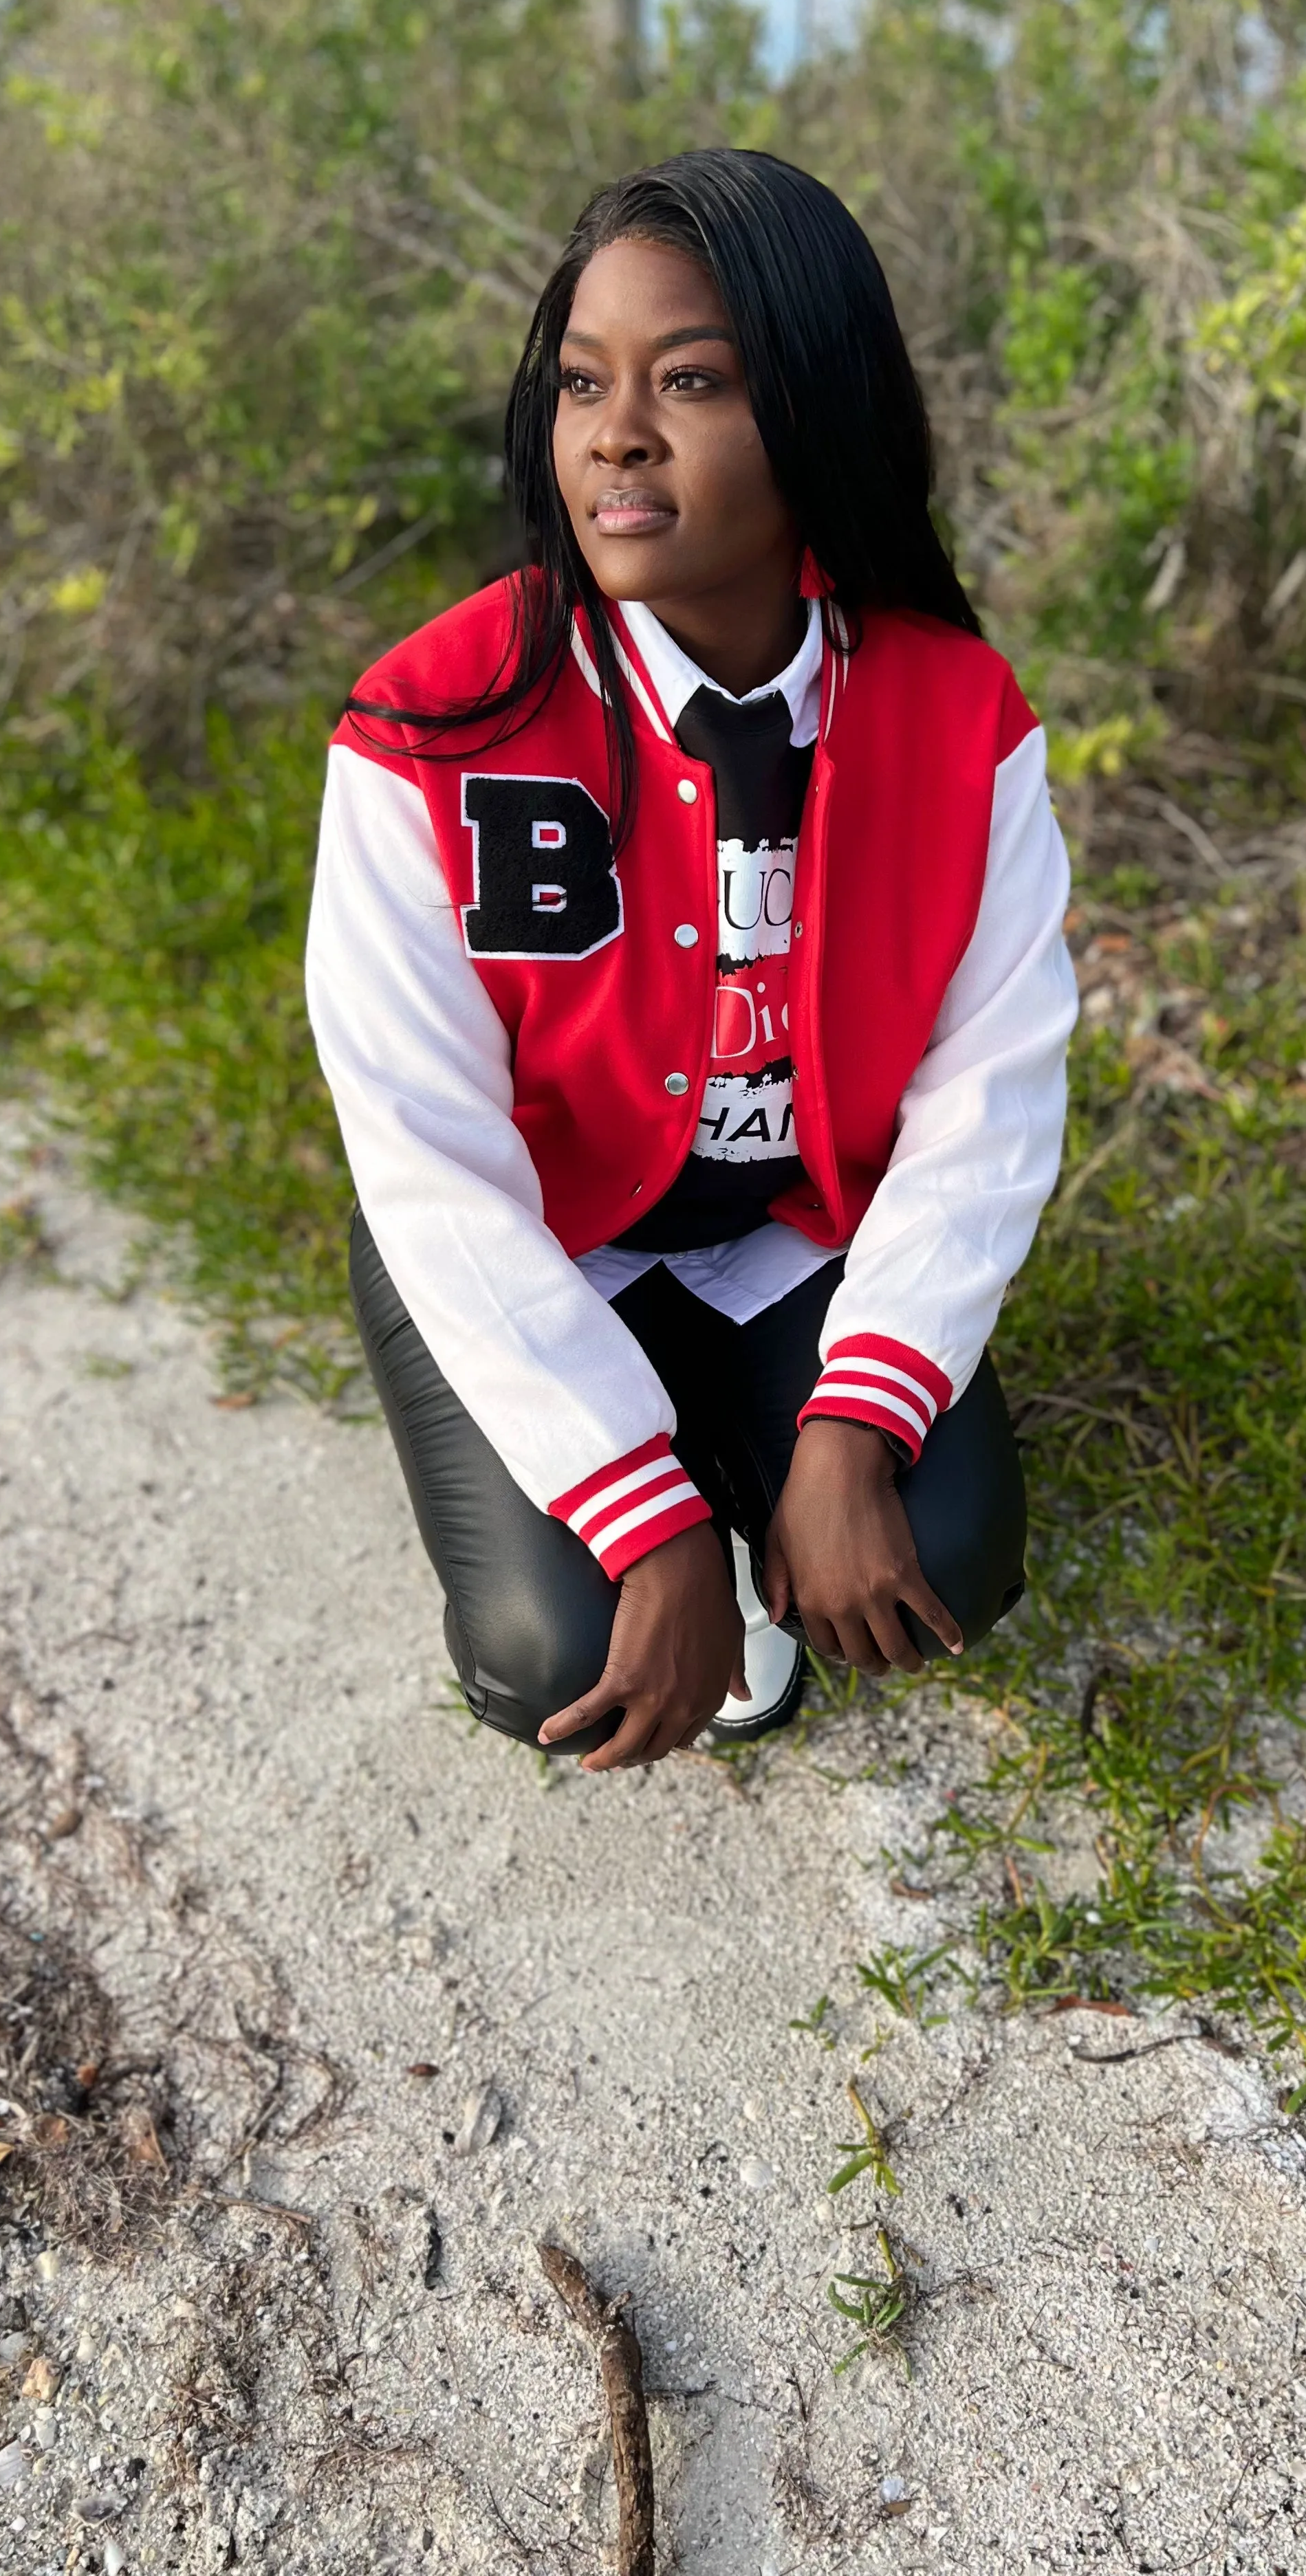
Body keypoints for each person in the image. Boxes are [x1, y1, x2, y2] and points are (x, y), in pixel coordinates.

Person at [305, 147, 1076, 1776]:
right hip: (541, 1230)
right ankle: (668, 1491)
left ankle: (768, 1461)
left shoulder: (960, 720)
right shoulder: (430, 725)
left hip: (790, 1228)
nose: (617, 433)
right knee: (555, 1657)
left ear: (817, 404)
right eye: (586, 382)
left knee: (944, 1552)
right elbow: (426, 1158)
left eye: (695, 380)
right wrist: (645, 1527)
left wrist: (858, 1429)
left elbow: (987, 1104)